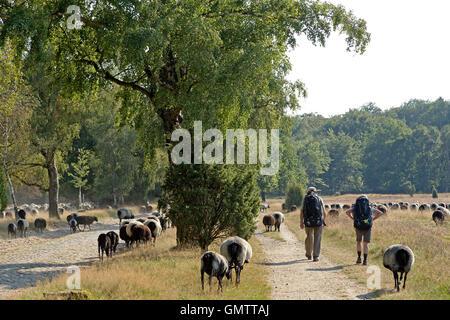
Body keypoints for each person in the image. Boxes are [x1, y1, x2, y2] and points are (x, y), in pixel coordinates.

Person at [345, 195, 385, 265]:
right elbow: (380, 213)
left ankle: (359, 258)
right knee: (365, 244)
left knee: (358, 242)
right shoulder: (370, 208)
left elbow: (347, 212)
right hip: (367, 227)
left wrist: (353, 219)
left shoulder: (355, 208)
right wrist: (372, 219)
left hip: (358, 226)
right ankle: (365, 260)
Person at [300, 187, 327, 262]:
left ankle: (308, 254)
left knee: (309, 237)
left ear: (308, 191)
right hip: (318, 222)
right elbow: (324, 212)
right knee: (317, 238)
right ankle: (316, 256)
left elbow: (302, 211)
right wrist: (323, 221)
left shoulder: (305, 199)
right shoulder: (319, 198)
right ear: (316, 191)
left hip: (308, 221)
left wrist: (301, 222)